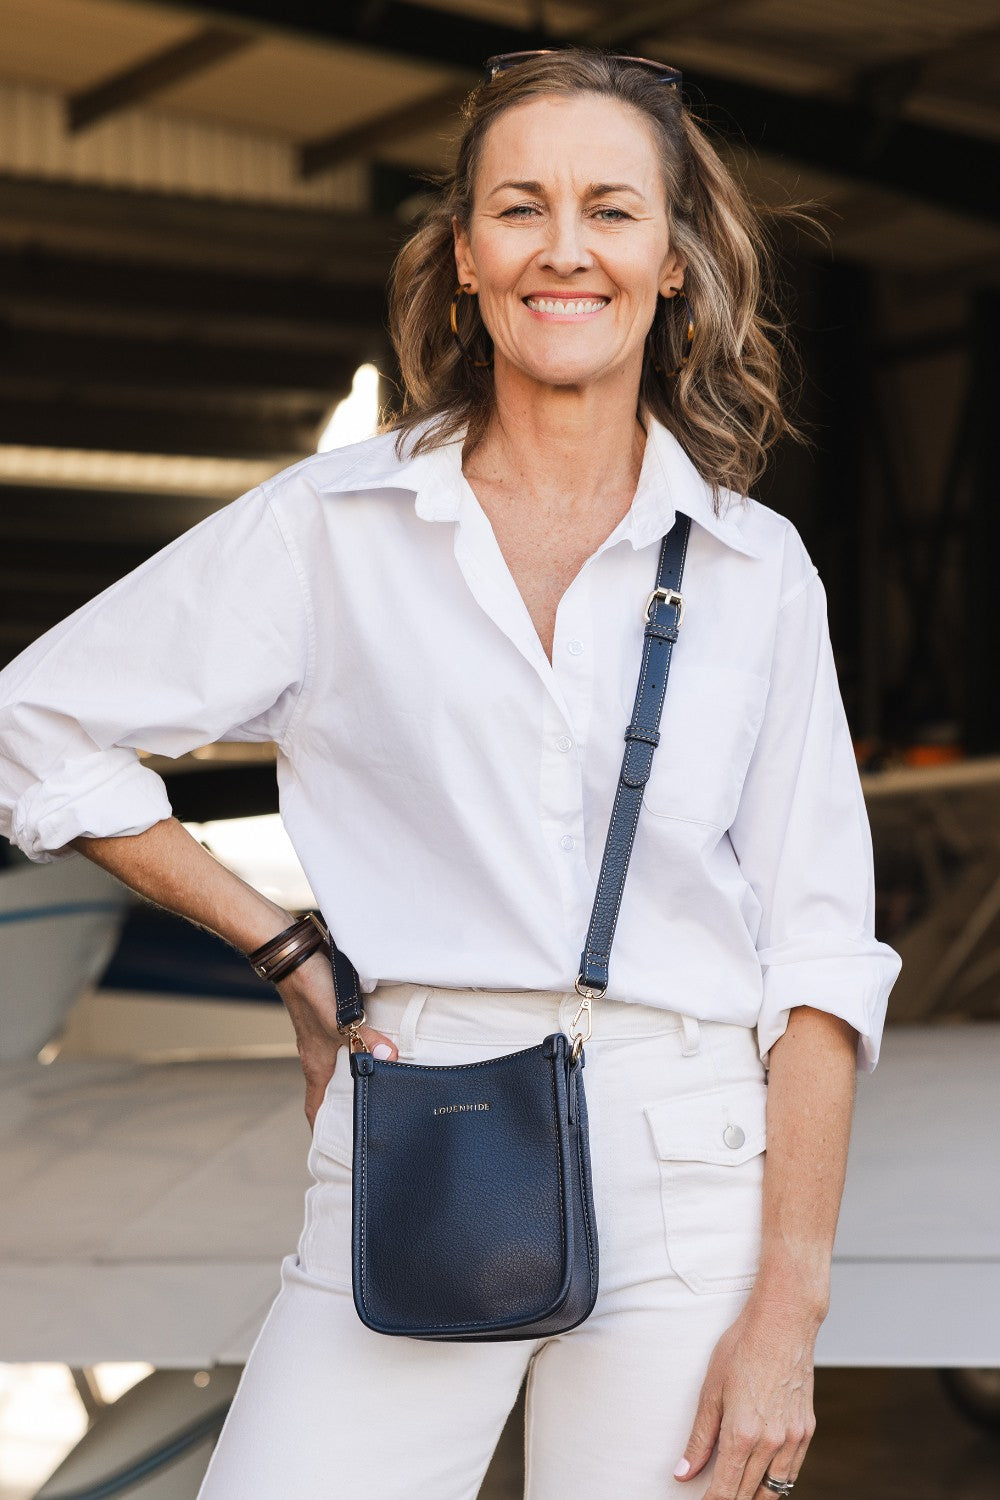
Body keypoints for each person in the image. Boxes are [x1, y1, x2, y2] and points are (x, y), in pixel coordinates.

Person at [0, 49, 900, 1500]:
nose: (565, 248)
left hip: (693, 1158)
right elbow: (33, 723)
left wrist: (787, 1310)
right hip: (421, 1112)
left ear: (671, 261)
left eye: (611, 210)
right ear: (467, 258)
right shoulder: (331, 526)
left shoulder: (755, 567)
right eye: (520, 207)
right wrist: (283, 946)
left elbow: (817, 954)